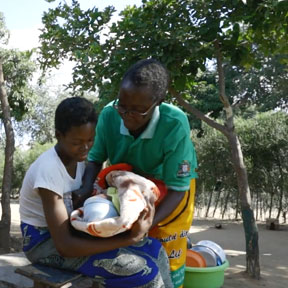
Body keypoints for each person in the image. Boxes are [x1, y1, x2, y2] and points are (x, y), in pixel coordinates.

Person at [19, 96, 173, 288]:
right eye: (77, 142)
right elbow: (65, 246)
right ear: (58, 135)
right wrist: (129, 238)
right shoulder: (48, 170)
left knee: (156, 250)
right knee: (144, 272)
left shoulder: (81, 162)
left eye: (90, 140)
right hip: (44, 244)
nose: (85, 148)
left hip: (73, 234)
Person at [76, 59, 198, 288]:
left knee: (163, 255)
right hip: (127, 189)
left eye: (137, 110)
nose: (127, 115)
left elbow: (178, 188)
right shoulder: (110, 115)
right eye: (123, 105)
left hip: (171, 191)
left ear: (157, 102)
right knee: (122, 251)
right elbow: (94, 159)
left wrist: (149, 223)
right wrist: (84, 190)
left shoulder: (174, 123)